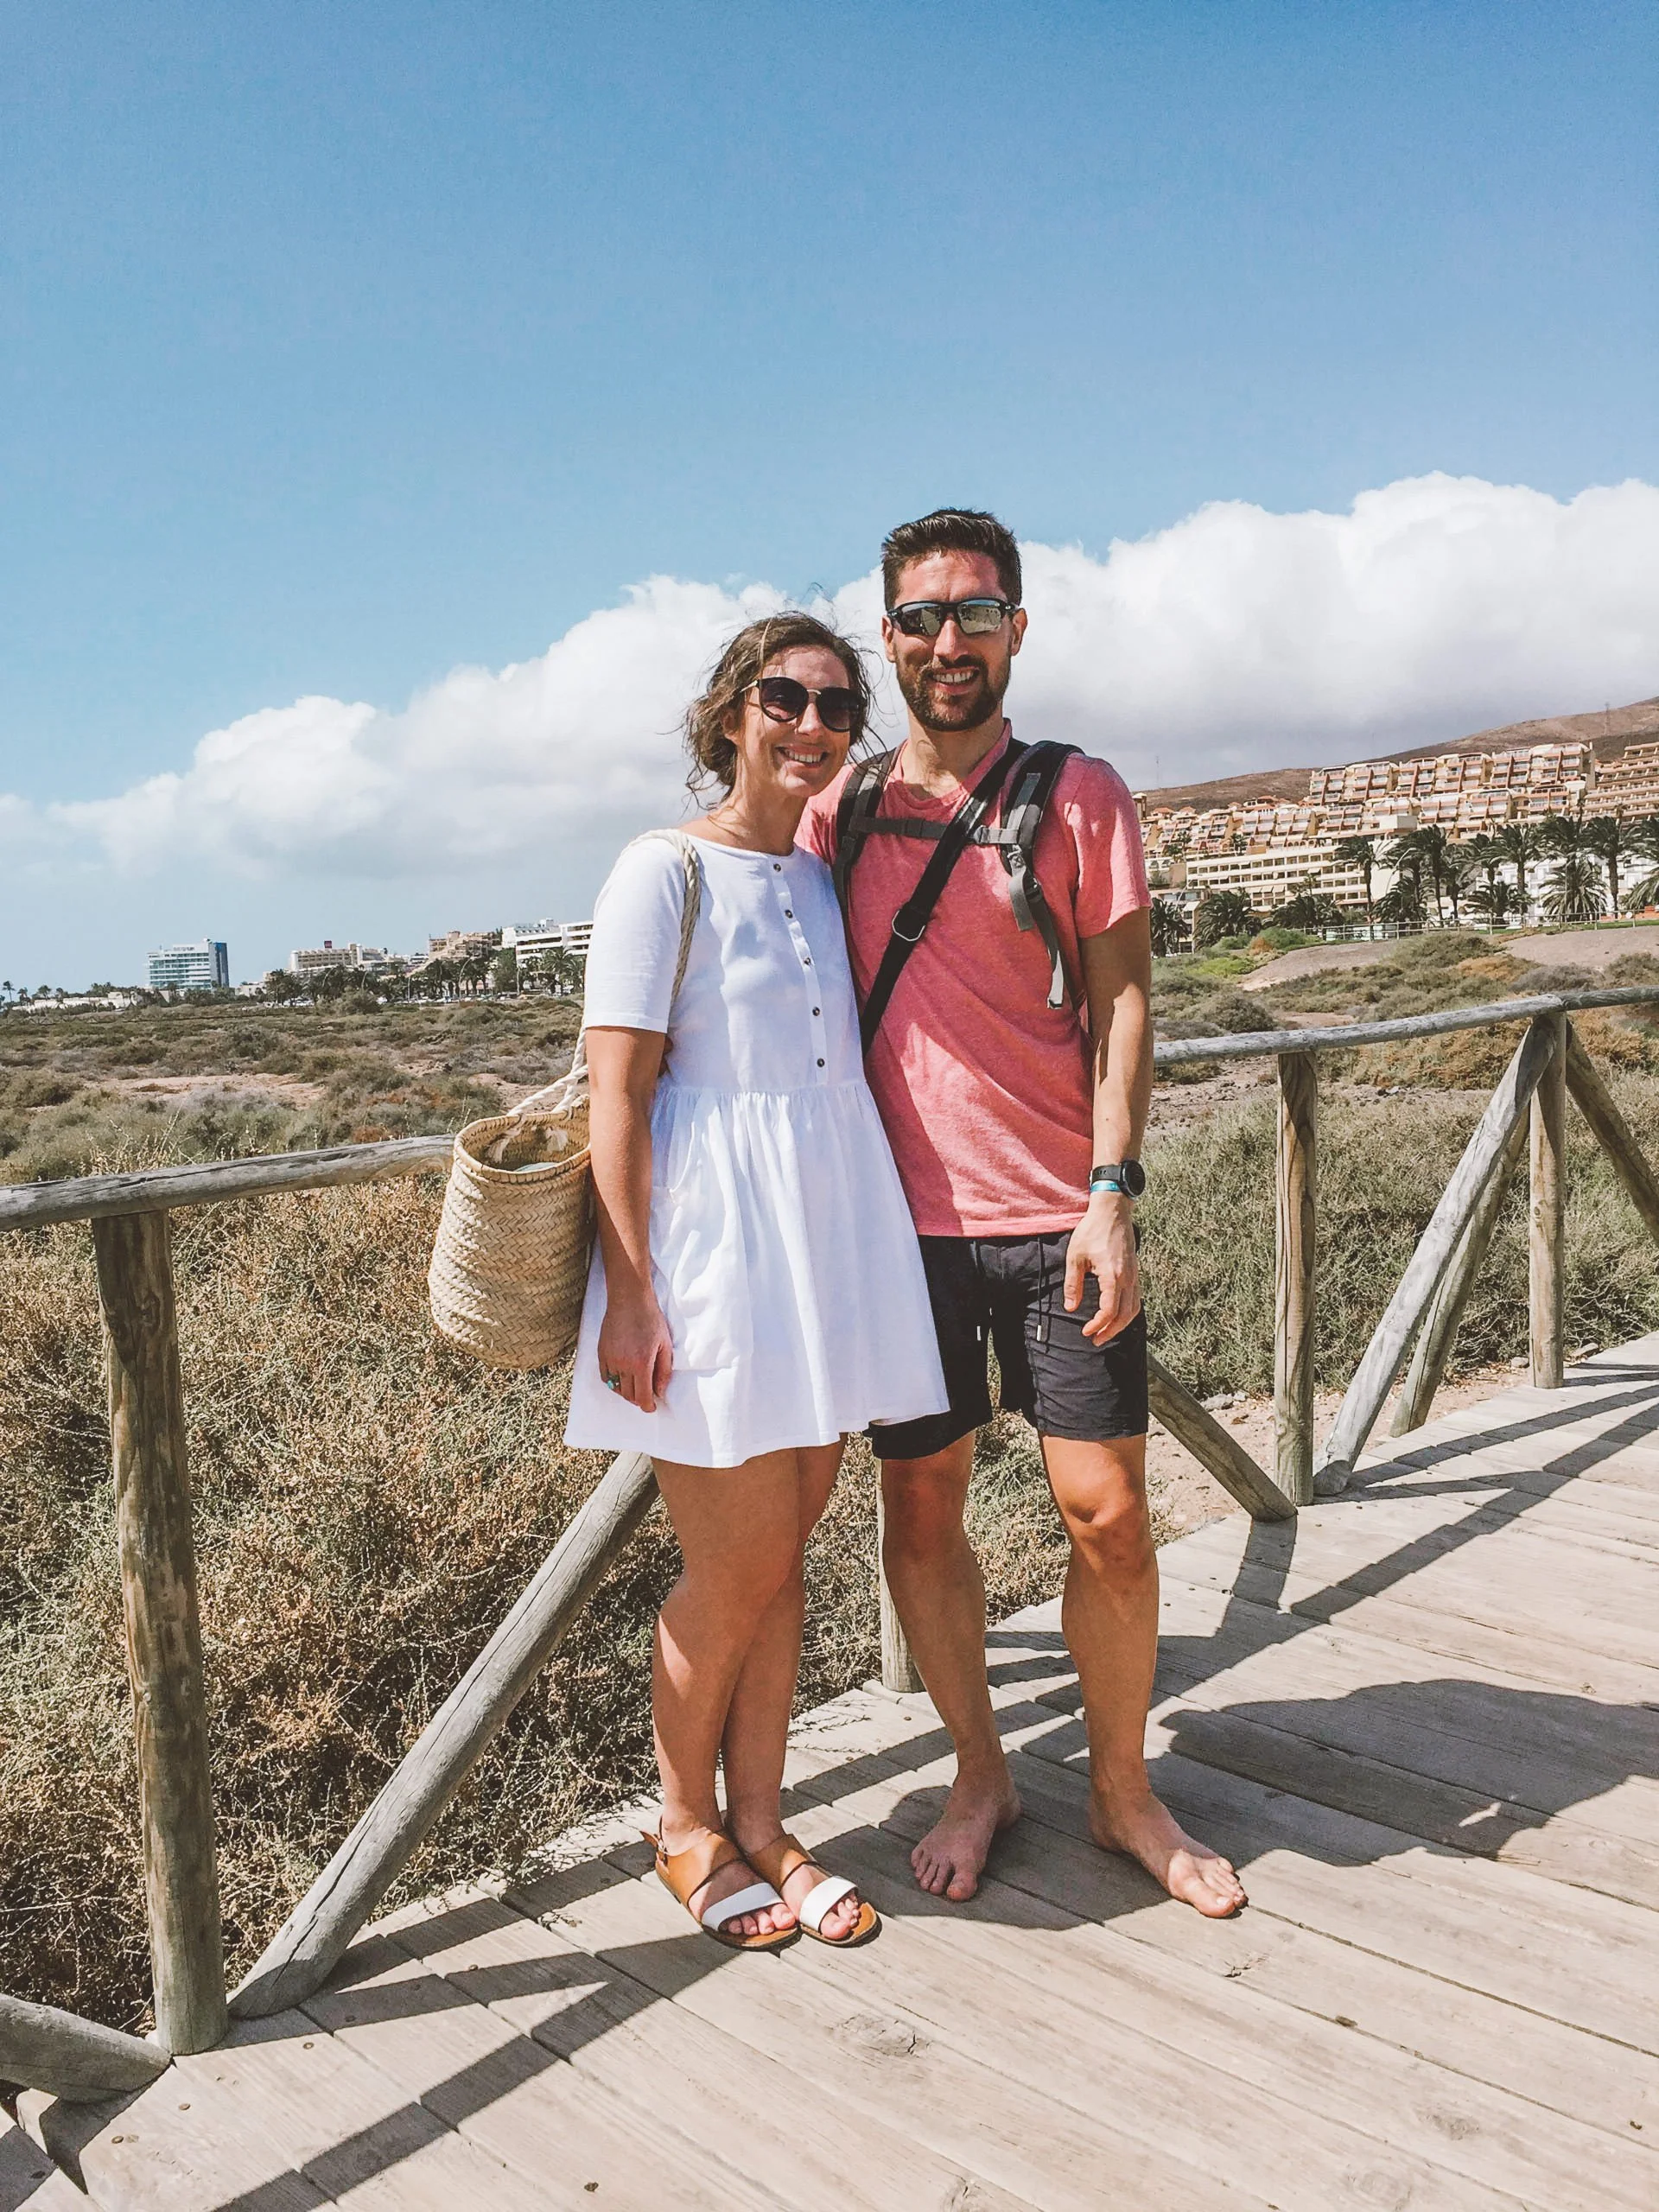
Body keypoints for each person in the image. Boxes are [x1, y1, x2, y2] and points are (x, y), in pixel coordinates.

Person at [801, 508, 1246, 1919]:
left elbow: (1126, 1004)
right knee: (922, 1504)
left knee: (1107, 1514)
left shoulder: (1080, 794)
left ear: (1017, 630)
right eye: (922, 616)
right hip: (902, 1235)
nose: (950, 640)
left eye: (976, 613)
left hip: (1060, 1218)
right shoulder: (839, 812)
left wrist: (1113, 1193)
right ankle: (980, 1774)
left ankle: (1121, 1790)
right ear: (888, 636)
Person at [565, 612, 948, 1950]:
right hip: (710, 1256)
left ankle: (768, 1825)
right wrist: (631, 1292)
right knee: (733, 1567)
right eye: (784, 698)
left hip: (824, 1248)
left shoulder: (819, 876)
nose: (811, 725)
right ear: (732, 713)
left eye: (838, 707)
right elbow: (617, 1095)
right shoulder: (660, 869)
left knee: (784, 1561)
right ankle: (685, 1826)